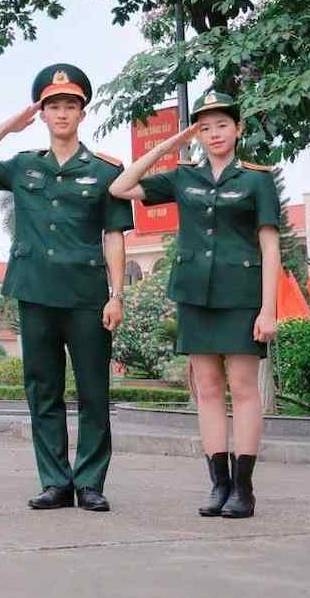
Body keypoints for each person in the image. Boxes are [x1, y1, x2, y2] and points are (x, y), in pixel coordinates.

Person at [0, 64, 132, 512]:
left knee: (94, 392)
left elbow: (114, 235)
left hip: (87, 295)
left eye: (70, 106)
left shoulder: (105, 171)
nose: (62, 113)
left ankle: (89, 482)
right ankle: (55, 481)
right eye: (53, 106)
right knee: (43, 390)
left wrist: (117, 295)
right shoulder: (24, 165)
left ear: (82, 113)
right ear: (42, 114)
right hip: (35, 291)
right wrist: (8, 127)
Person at [109, 91, 278, 518]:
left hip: (241, 297)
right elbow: (120, 187)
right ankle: (218, 485)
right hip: (194, 296)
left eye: (222, 125)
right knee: (207, 389)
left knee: (243, 388)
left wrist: (269, 309)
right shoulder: (183, 178)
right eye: (205, 127)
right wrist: (169, 146)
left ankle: (243, 489)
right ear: (196, 134)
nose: (214, 133)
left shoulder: (256, 180)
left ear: (238, 129)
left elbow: (270, 247)